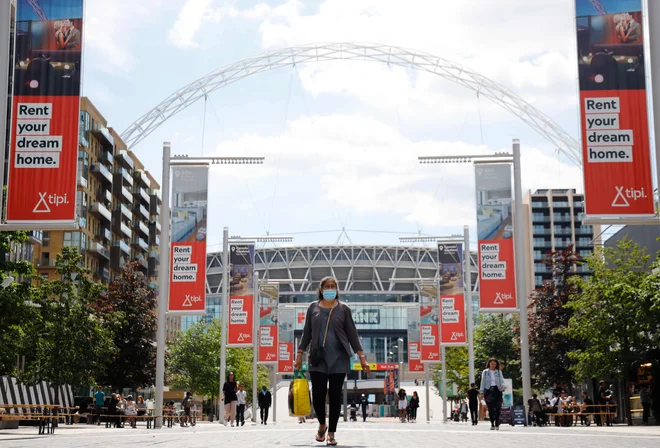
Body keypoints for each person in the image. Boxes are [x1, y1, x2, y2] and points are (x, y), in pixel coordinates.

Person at [296, 276, 371, 446]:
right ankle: (322, 424)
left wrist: (362, 357)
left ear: (337, 289)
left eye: (333, 286)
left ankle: (331, 433)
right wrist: (299, 353)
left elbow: (352, 333)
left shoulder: (343, 309)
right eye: (327, 286)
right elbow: (306, 332)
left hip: (339, 358)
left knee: (335, 396)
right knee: (318, 395)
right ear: (321, 290)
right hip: (317, 358)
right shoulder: (313, 308)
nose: (330, 289)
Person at [480, 357, 505, 430]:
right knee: (490, 408)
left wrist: (503, 387)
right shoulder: (485, 372)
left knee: (498, 408)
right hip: (488, 391)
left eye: (494, 364)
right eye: (491, 364)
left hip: (497, 390)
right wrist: (481, 392)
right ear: (489, 364)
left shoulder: (498, 372)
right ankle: (492, 424)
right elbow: (482, 382)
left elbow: (502, 380)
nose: (493, 365)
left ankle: (497, 423)